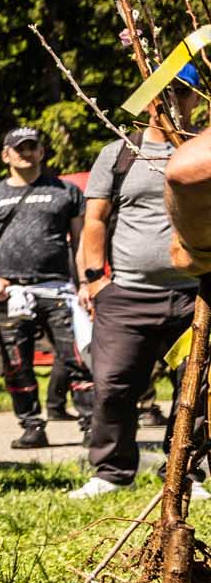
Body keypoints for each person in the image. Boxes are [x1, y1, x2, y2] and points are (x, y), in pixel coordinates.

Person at [71, 122, 200, 497]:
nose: (172, 101)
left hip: (196, 294)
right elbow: (95, 218)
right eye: (164, 92)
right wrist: (95, 279)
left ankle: (186, 475)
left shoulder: (203, 150)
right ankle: (111, 473)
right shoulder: (120, 152)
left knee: (196, 387)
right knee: (112, 385)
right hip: (127, 295)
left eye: (181, 91)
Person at [0, 126, 92, 448]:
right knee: (17, 364)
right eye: (19, 147)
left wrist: (85, 283)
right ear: (5, 154)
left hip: (58, 290)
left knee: (77, 358)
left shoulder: (66, 191)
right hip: (9, 292)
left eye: (32, 147)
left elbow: (81, 241)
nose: (26, 152)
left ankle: (91, 424)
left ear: (41, 151)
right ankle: (31, 426)